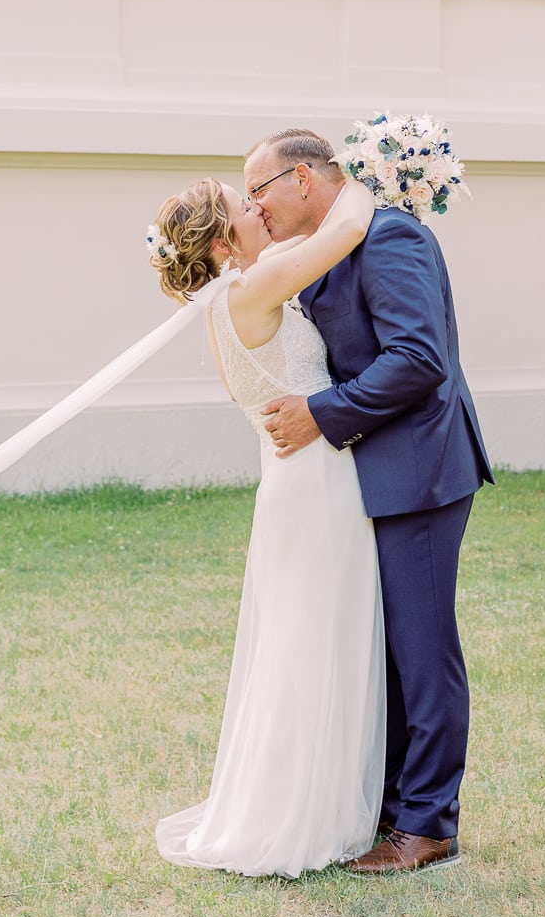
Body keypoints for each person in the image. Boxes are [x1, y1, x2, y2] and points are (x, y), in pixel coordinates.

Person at [244, 128, 492, 877]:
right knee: (383, 653)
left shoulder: (390, 238)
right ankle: (387, 807)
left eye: (260, 192)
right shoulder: (322, 249)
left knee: (421, 651)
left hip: (418, 471)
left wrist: (325, 411)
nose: (256, 208)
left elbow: (419, 358)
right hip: (366, 480)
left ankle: (428, 824)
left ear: (303, 179)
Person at [148, 167, 384, 878]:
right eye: (241, 206)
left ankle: (315, 801)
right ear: (223, 242)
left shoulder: (233, 296)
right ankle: (301, 816)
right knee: (315, 640)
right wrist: (373, 172)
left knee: (306, 638)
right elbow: (344, 228)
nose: (256, 208)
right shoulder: (249, 289)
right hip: (315, 484)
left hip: (294, 485)